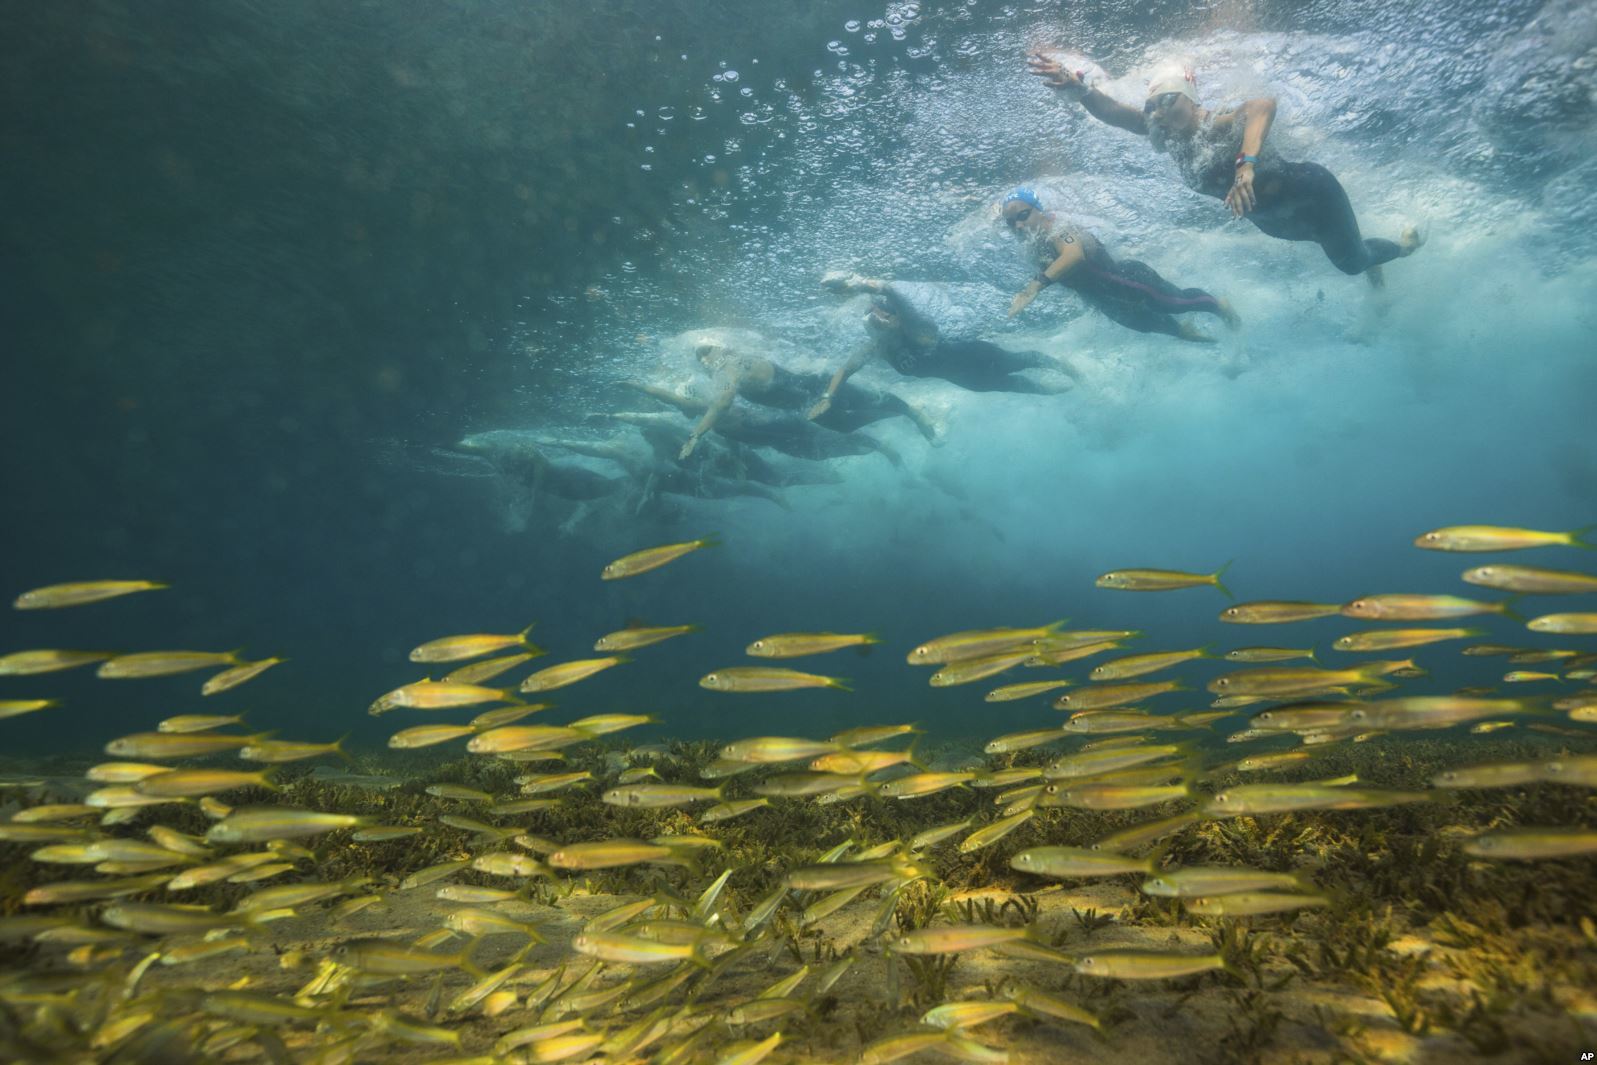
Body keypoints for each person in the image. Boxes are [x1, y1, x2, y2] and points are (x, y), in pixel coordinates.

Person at [1026, 56, 1423, 280]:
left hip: (1313, 195)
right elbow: (1114, 113)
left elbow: (1262, 106)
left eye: (1167, 100)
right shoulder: (1169, 137)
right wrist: (1081, 91)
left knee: (1350, 262)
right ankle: (1365, 253)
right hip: (1275, 221)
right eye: (1152, 106)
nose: (1159, 112)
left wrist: (1246, 166)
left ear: (1190, 99)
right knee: (1345, 252)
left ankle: (1404, 247)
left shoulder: (1213, 121)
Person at [812, 274, 1076, 417]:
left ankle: (1075, 372)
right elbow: (844, 371)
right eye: (872, 315)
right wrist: (827, 398)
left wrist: (862, 284)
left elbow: (893, 294)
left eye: (882, 313)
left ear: (895, 315)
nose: (876, 318)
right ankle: (1074, 392)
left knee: (1025, 360)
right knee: (1033, 389)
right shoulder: (878, 348)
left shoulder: (912, 326)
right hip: (973, 382)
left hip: (981, 357)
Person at [1002, 187, 1237, 342]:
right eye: (1010, 222)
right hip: (1106, 301)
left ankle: (1219, 306)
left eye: (1023, 215)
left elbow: (1074, 256)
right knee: (1146, 324)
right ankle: (1185, 332)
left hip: (1130, 280)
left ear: (1039, 211)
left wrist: (1034, 287)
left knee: (1175, 303)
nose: (1018, 226)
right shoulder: (1033, 247)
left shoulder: (1059, 230)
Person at [680, 340, 939, 459]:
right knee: (867, 404)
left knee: (852, 419)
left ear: (711, 357)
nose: (704, 363)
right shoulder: (739, 355)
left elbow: (723, 402)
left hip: (813, 398)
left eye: (703, 359)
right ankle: (910, 412)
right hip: (815, 384)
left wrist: (695, 435)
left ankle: (911, 412)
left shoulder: (725, 370)